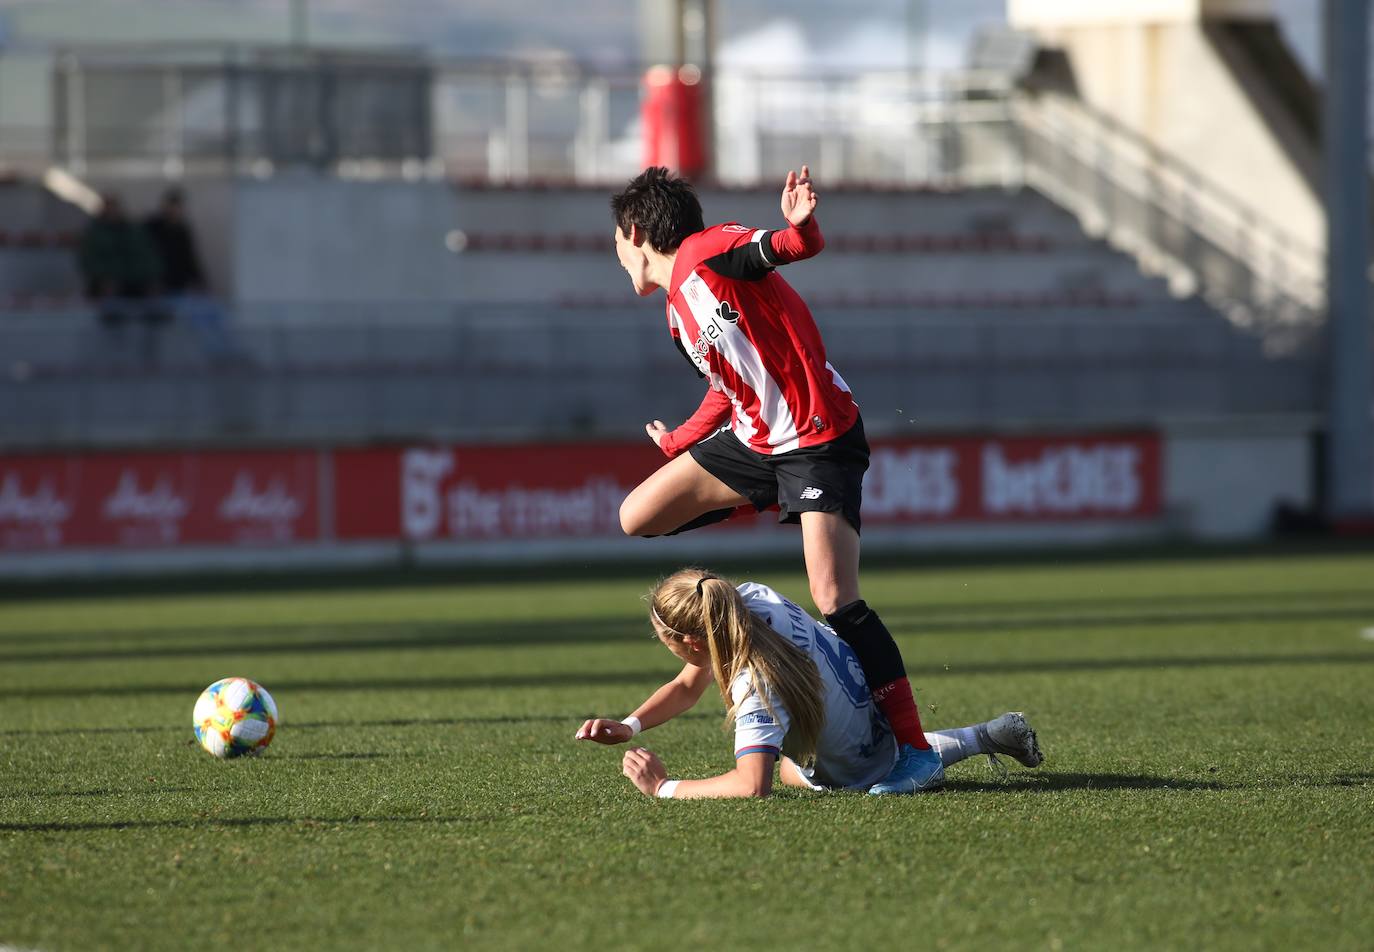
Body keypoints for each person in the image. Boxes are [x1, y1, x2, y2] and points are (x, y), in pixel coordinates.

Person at [608, 165, 941, 794]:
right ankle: (773, 500)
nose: (617, 257)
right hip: (759, 442)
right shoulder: (678, 316)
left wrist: (799, 225)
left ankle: (916, 751)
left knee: (835, 597)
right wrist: (680, 440)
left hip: (817, 435)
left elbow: (790, 248)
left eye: (617, 244)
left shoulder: (709, 251)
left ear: (634, 231)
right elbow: (726, 389)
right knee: (637, 517)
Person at [574, 568, 1043, 798]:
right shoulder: (747, 602)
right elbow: (689, 684)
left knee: (785, 772)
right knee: (796, 763)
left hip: (857, 770)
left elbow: (751, 785)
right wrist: (630, 726)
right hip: (878, 716)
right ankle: (981, 736)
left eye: (665, 641)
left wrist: (662, 786)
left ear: (692, 641)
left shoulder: (756, 681)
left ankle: (944, 752)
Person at [144, 187, 243, 364]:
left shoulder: (182, 230)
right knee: (200, 319)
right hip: (164, 293)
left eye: (178, 207)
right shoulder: (151, 229)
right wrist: (152, 283)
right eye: (173, 206)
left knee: (215, 312)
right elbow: (146, 260)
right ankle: (218, 355)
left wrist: (202, 285)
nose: (176, 211)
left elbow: (191, 261)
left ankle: (227, 352)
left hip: (180, 290)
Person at [78, 193, 168, 365]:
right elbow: (89, 262)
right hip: (107, 286)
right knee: (113, 313)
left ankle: (149, 358)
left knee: (155, 311)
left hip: (133, 283)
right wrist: (104, 279)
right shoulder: (94, 233)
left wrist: (151, 280)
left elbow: (147, 258)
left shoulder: (133, 231)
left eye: (115, 208)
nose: (113, 213)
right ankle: (113, 358)